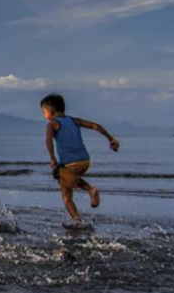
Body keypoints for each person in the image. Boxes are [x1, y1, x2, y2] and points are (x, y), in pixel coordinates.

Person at [41, 93, 120, 226]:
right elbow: (95, 126)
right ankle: (76, 221)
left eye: (44, 112)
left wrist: (53, 159)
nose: (44, 115)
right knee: (66, 195)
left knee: (58, 171)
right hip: (85, 161)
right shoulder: (74, 120)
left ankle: (90, 189)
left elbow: (48, 141)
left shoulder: (52, 125)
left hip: (70, 164)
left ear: (51, 112)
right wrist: (110, 139)